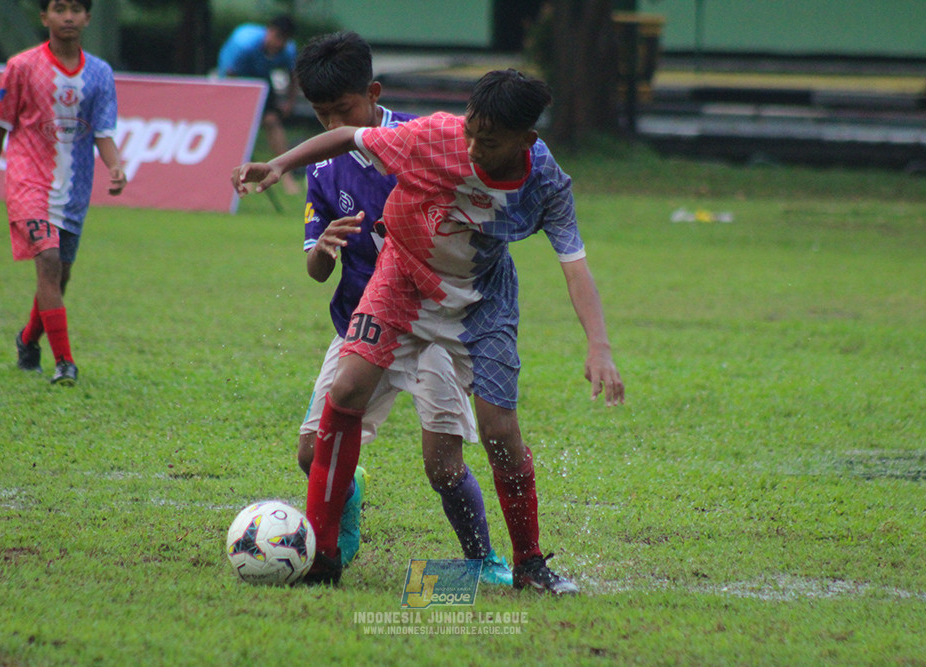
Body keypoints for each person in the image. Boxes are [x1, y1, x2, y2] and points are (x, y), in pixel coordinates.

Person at [232, 69, 625, 594]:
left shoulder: (546, 185)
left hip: (481, 302)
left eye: (488, 141)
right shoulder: (435, 136)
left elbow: (575, 266)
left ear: (526, 140)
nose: (473, 148)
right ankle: (324, 556)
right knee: (346, 389)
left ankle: (530, 564)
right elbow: (349, 136)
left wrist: (599, 345)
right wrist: (280, 162)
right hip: (402, 280)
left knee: (498, 431)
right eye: (470, 132)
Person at [292, 32, 511, 585]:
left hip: (433, 324)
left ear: (373, 93)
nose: (331, 125)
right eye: (320, 114)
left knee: (442, 464)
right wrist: (322, 250)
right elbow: (316, 271)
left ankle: (481, 559)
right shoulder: (321, 169)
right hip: (359, 323)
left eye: (342, 111)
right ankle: (345, 509)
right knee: (309, 451)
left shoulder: (424, 142)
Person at [0, 0, 127, 386]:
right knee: (47, 259)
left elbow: (103, 131)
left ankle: (28, 340)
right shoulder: (22, 67)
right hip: (28, 182)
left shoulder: (99, 73)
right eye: (59, 8)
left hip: (74, 189)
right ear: (44, 17)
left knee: (59, 277)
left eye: (77, 9)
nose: (68, 17)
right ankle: (65, 363)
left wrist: (115, 165)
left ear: (88, 18)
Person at [217, 14, 300, 195]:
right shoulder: (244, 45)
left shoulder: (288, 50)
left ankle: (286, 177)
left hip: (262, 80)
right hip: (235, 80)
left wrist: (289, 102)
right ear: (269, 31)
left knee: (272, 121)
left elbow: (293, 76)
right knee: (241, 127)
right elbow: (230, 74)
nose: (278, 44)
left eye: (283, 40)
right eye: (277, 37)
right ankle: (242, 176)